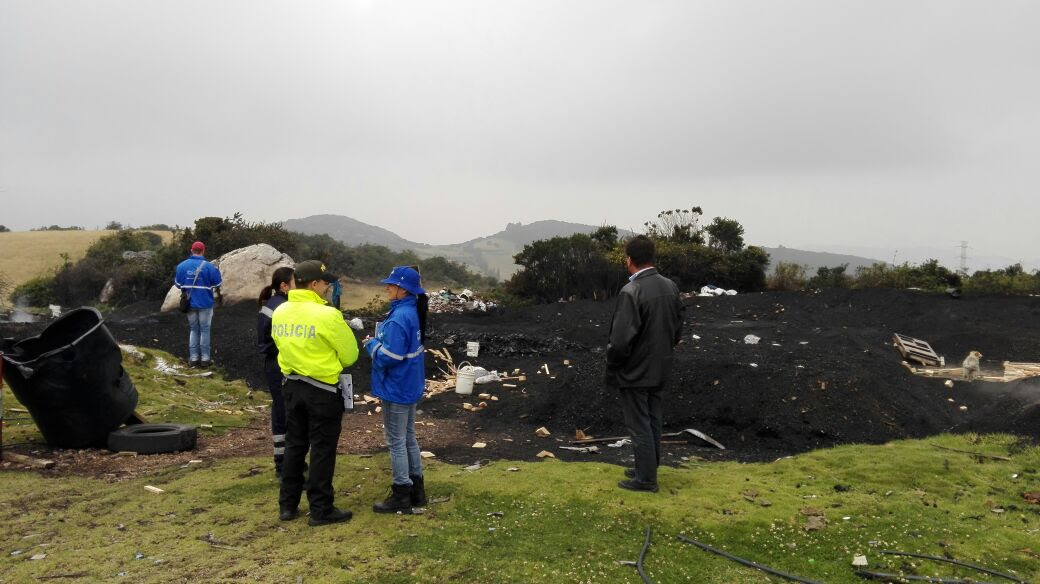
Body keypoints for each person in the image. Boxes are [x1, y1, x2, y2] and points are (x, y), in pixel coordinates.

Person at [272, 260, 359, 526]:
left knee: (295, 445)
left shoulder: (281, 311)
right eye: (325, 282)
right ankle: (321, 509)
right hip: (322, 391)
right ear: (313, 284)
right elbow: (350, 354)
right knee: (322, 449)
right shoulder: (327, 315)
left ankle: (287, 505)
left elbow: (278, 345)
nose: (328, 286)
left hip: (291, 387)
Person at [605, 235, 684, 493]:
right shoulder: (670, 286)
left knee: (639, 424)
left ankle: (646, 480)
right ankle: (646, 468)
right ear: (652, 257)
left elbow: (619, 341)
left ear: (629, 260)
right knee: (653, 420)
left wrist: (614, 365)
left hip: (636, 371)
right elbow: (677, 329)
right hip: (661, 366)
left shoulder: (632, 291)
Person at [363, 266, 428, 514]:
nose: (387, 287)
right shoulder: (411, 311)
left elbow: (391, 356)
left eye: (391, 284)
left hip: (397, 387)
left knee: (396, 441)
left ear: (403, 289)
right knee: (408, 437)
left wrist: (371, 345)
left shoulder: (400, 317)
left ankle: (402, 493)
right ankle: (417, 491)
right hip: (409, 384)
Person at [257, 266, 295, 478]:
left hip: (275, 362)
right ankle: (283, 465)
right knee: (283, 412)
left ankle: (288, 460)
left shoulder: (274, 304)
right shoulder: (281, 307)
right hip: (278, 363)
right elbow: (268, 340)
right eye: (295, 283)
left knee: (283, 410)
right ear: (284, 285)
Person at [174, 241, 223, 368]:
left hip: (189, 303)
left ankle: (194, 358)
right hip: (205, 303)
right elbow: (217, 284)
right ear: (203, 251)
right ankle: (205, 359)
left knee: (194, 330)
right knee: (205, 330)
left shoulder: (181, 266)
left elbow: (178, 285)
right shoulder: (209, 267)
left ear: (192, 250)